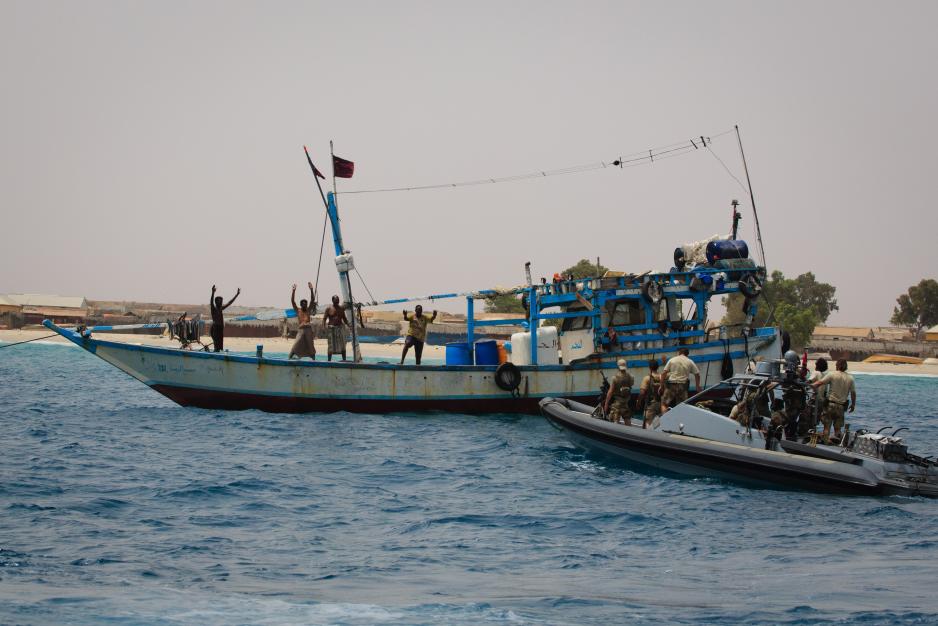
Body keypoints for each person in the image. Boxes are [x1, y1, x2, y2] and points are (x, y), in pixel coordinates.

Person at [812, 359, 856, 444]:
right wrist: (853, 405)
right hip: (841, 407)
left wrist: (811, 386)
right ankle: (837, 445)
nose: (835, 366)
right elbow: (853, 393)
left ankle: (825, 444)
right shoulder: (850, 378)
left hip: (830, 405)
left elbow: (819, 383)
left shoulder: (832, 374)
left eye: (836, 365)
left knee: (826, 427)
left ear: (838, 366)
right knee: (838, 429)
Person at [659, 347, 701, 412]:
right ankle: (679, 421)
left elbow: (663, 373)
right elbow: (697, 374)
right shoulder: (690, 361)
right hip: (683, 386)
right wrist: (697, 386)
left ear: (679, 353)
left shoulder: (672, 360)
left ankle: (665, 419)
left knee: (664, 404)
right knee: (681, 406)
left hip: (671, 385)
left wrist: (661, 386)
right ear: (687, 354)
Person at [289, 282, 317, 360]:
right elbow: (292, 301)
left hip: (308, 330)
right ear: (301, 305)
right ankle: (289, 358)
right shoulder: (298, 310)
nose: (305, 305)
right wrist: (293, 291)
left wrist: (311, 289)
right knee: (296, 344)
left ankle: (314, 360)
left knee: (310, 345)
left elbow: (312, 300)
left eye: (306, 303)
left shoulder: (308, 310)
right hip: (301, 330)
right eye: (303, 304)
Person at [209, 284, 240, 352]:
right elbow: (211, 302)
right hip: (215, 328)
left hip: (220, 328)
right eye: (220, 301)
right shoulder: (213, 309)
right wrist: (213, 292)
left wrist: (237, 294)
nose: (221, 302)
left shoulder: (221, 309)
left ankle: (219, 354)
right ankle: (216, 354)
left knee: (220, 346)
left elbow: (229, 302)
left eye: (221, 301)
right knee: (216, 345)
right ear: (216, 302)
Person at [604, 359, 634, 424]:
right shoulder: (631, 377)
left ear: (618, 367)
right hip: (626, 403)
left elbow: (610, 392)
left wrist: (606, 403)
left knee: (615, 420)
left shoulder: (615, 378)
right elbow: (630, 385)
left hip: (617, 403)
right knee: (627, 420)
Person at [323, 295, 350, 361]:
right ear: (332, 300)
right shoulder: (328, 308)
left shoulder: (341, 309)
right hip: (331, 329)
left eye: (338, 299)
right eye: (336, 299)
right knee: (330, 346)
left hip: (340, 328)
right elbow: (324, 319)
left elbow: (344, 319)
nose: (337, 301)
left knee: (343, 345)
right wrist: (323, 328)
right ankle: (329, 361)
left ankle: (344, 360)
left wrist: (349, 325)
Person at [636, 359, 662, 428]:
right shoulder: (662, 377)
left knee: (648, 423)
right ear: (658, 367)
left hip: (650, 404)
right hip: (661, 403)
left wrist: (639, 402)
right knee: (658, 423)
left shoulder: (647, 378)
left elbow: (642, 392)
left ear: (649, 367)